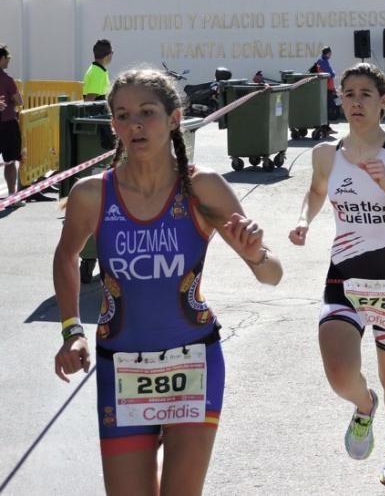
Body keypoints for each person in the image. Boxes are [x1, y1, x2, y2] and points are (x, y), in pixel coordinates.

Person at [52, 68, 283, 495]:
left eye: (147, 112)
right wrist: (72, 331)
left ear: (174, 118)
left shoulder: (201, 187)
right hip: (120, 363)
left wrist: (256, 255)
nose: (134, 124)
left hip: (193, 360)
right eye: (121, 115)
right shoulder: (92, 193)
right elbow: (66, 256)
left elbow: (273, 274)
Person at [288, 63, 385, 486]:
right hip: (343, 280)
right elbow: (315, 193)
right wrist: (304, 220)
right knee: (338, 372)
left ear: (383, 101)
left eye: (366, 94)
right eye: (348, 94)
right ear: (340, 100)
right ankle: (364, 405)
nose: (356, 101)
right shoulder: (326, 154)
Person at [0, 45, 24, 203]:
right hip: (7, 123)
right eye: (8, 58)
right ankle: (12, 195)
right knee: (10, 161)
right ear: (1, 59)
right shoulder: (7, 80)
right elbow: (19, 101)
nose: (9, 61)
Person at [312, 46, 339, 135]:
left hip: (326, 89)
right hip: (327, 90)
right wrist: (333, 73)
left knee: (326, 109)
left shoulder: (320, 61)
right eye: (330, 53)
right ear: (328, 53)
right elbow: (331, 74)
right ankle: (326, 128)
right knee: (328, 109)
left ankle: (325, 127)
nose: (331, 55)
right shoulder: (324, 62)